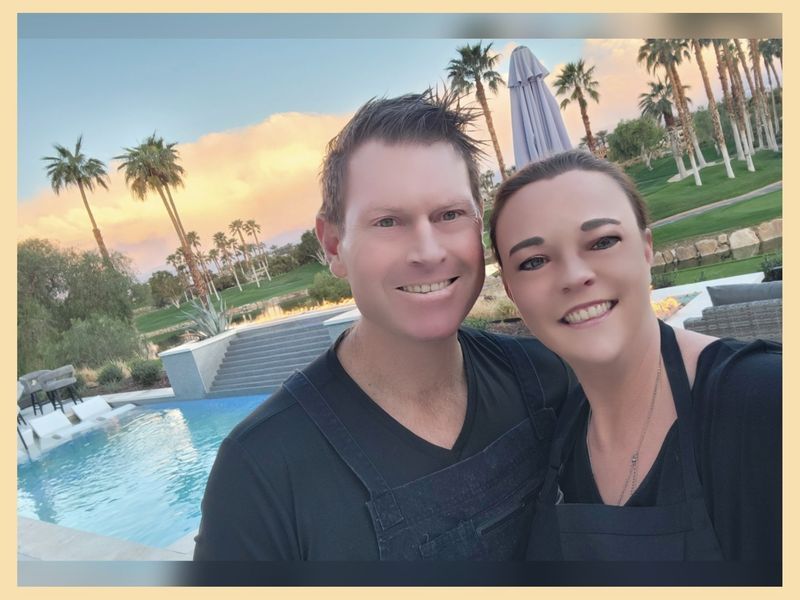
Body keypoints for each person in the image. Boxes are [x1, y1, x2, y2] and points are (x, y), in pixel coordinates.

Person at [193, 91, 572, 560]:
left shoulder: (547, 379)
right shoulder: (261, 471)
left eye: (449, 215)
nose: (428, 251)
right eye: (388, 221)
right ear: (333, 245)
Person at [490, 149, 781, 562]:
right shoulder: (556, 438)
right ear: (511, 292)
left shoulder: (768, 401)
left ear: (647, 249)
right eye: (534, 261)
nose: (575, 276)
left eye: (602, 241)